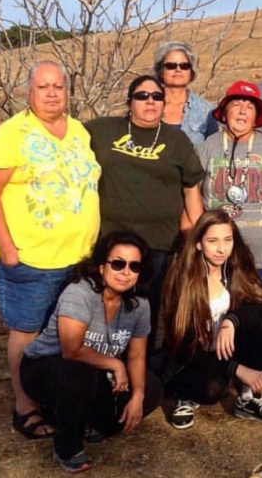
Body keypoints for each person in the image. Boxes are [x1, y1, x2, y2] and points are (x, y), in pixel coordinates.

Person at [0, 60, 101, 440]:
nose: (51, 93)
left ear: (68, 90)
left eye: (58, 86)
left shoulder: (79, 131)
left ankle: (57, 397)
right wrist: (7, 248)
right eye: (43, 87)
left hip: (78, 258)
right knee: (27, 334)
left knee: (67, 335)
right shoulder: (13, 132)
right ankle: (25, 405)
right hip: (32, 259)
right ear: (29, 93)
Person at [20, 230, 163, 472]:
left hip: (94, 371)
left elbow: (137, 355)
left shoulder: (140, 304)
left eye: (134, 266)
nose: (126, 272)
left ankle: (89, 421)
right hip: (47, 367)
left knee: (151, 387)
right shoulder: (80, 293)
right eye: (118, 264)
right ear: (101, 266)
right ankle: (67, 447)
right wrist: (117, 365)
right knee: (77, 376)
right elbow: (71, 350)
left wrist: (137, 395)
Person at [85, 75, 204, 351]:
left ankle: (141, 372)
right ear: (129, 103)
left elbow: (191, 190)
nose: (150, 101)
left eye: (156, 96)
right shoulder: (102, 130)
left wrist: (197, 239)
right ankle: (101, 370)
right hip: (109, 241)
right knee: (105, 305)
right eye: (142, 96)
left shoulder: (177, 140)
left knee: (144, 310)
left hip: (157, 244)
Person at [161, 210, 262, 429]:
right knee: (211, 391)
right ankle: (183, 395)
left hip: (227, 350)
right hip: (192, 357)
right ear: (199, 243)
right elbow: (182, 341)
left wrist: (231, 320)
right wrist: (235, 369)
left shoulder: (237, 267)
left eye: (228, 240)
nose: (221, 249)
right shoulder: (182, 277)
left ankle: (248, 399)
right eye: (213, 241)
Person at [197, 80, 262, 292]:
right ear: (224, 112)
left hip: (261, 256)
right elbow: (192, 195)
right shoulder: (207, 148)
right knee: (217, 314)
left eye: (250, 107)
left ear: (256, 117)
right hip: (215, 254)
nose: (242, 111)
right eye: (236, 105)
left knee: (256, 315)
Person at [152, 40, 218, 146]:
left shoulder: (207, 112)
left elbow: (212, 151)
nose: (178, 69)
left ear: (191, 72)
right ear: (160, 71)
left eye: (184, 66)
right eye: (171, 65)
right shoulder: (147, 105)